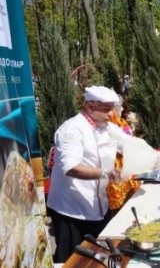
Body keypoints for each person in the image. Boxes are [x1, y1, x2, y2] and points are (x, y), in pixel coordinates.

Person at [46, 86, 127, 262]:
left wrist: (156, 157)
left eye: (112, 109)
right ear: (90, 107)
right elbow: (71, 167)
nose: (111, 114)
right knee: (72, 260)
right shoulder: (71, 130)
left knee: (99, 256)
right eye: (106, 110)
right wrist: (106, 173)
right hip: (71, 211)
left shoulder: (108, 128)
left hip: (99, 206)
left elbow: (129, 144)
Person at [106, 96, 140, 216]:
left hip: (126, 164)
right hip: (115, 165)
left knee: (129, 197)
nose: (122, 109)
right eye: (120, 106)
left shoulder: (122, 122)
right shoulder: (110, 125)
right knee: (117, 200)